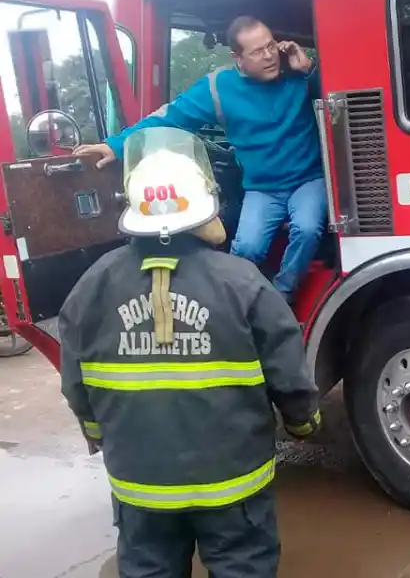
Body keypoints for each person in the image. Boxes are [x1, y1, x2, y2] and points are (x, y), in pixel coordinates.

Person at [59, 126, 321, 578]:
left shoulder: (91, 286)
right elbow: (287, 370)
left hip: (141, 488)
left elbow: (76, 382)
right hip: (233, 486)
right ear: (205, 206)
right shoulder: (243, 282)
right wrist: (303, 421)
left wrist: (95, 430)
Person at [74, 16, 326, 303]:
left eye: (271, 46)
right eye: (257, 51)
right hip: (263, 187)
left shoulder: (298, 73)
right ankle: (236, 304)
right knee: (246, 248)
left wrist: (309, 69)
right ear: (238, 58)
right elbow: (170, 118)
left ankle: (283, 296)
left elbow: (339, 99)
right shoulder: (219, 88)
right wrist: (116, 146)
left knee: (307, 229)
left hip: (309, 178)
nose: (269, 56)